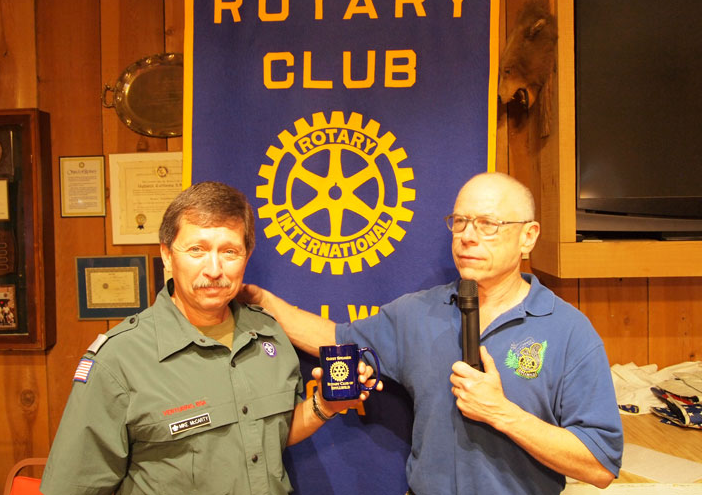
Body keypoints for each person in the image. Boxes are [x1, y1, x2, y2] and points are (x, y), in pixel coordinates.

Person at [240, 172, 623, 494]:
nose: (468, 236)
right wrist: (264, 303)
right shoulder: (417, 312)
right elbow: (337, 339)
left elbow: (600, 464)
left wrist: (504, 414)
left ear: (528, 237)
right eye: (460, 222)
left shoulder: (569, 330)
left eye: (488, 224)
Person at [40, 182, 379, 495]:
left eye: (229, 252)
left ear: (246, 256)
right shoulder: (120, 359)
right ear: (167, 254)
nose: (214, 269)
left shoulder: (268, 334)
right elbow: (72, 486)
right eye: (197, 249)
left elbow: (270, 435)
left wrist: (324, 406)